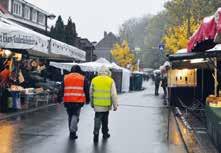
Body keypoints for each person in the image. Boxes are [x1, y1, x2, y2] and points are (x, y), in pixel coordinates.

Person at [58, 65, 89, 140]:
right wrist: (88, 99)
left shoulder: (66, 77)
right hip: (78, 100)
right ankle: (72, 130)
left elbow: (61, 89)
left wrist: (59, 98)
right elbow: (86, 90)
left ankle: (72, 132)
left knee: (70, 115)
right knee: (75, 115)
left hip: (67, 100)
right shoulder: (82, 78)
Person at [90, 66, 118, 143]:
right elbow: (113, 94)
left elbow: (91, 93)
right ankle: (105, 134)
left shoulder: (94, 80)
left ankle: (96, 133)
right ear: (108, 72)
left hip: (97, 105)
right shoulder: (110, 80)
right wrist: (115, 105)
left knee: (97, 118)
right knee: (105, 120)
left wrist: (92, 103)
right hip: (106, 105)